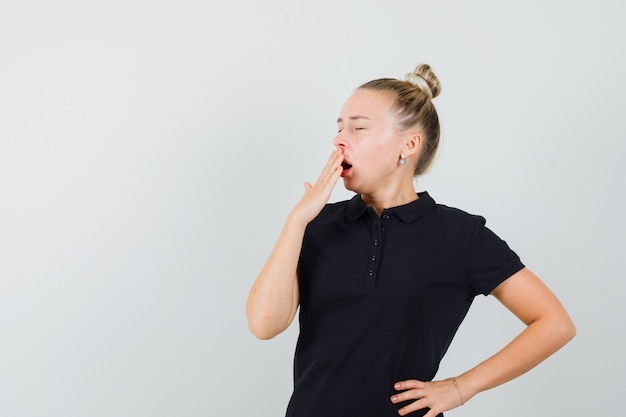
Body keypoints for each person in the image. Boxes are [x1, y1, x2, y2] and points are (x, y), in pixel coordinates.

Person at [246, 64, 575, 417]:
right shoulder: (318, 225)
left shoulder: (459, 235)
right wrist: (296, 220)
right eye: (339, 128)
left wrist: (461, 388)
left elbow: (554, 323)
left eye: (358, 127)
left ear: (410, 144)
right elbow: (264, 324)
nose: (339, 140)